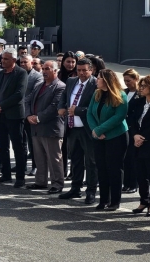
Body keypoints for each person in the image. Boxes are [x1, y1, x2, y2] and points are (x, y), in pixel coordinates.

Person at [57, 58, 99, 204]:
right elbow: (64, 97)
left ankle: (91, 191)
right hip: (72, 128)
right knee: (75, 160)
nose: (81, 73)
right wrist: (61, 107)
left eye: (84, 70)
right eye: (79, 70)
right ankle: (75, 188)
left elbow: (96, 108)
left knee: (91, 162)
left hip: (87, 129)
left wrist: (79, 111)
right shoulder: (71, 81)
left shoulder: (96, 84)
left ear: (91, 70)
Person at [86, 69, 129, 210]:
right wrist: (95, 130)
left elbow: (118, 117)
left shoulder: (120, 95)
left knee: (114, 169)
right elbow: (89, 114)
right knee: (102, 168)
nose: (96, 80)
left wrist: (99, 130)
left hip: (116, 137)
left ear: (106, 80)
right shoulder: (96, 94)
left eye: (98, 77)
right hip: (99, 137)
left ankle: (115, 201)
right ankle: (104, 200)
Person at [24, 60, 66, 193]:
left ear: (55, 71)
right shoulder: (40, 85)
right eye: (43, 68)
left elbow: (54, 107)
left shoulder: (60, 86)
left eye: (47, 69)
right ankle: (40, 181)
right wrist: (29, 115)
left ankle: (57, 184)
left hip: (51, 128)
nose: (44, 71)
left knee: (54, 158)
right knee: (39, 157)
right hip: (36, 127)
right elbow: (28, 100)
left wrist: (38, 117)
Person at [0, 48, 28, 187]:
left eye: (6, 59)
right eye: (2, 59)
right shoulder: (0, 73)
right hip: (0, 115)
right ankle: (6, 174)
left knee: (18, 146)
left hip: (14, 116)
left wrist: (1, 105)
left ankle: (20, 177)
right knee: (3, 146)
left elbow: (19, 94)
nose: (2, 61)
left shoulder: (21, 73)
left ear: (13, 60)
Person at [131, 75, 150, 215]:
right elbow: (133, 120)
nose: (141, 88)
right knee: (140, 174)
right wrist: (135, 135)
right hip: (138, 143)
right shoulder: (140, 102)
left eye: (144, 86)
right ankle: (143, 201)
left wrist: (143, 137)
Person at [21, 54, 44, 176]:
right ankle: (22, 164)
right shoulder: (18, 74)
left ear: (32, 63)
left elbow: (34, 94)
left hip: (29, 113)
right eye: (22, 62)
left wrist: (19, 101)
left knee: (32, 142)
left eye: (26, 62)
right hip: (18, 113)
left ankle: (35, 166)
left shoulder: (37, 76)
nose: (23, 64)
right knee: (21, 141)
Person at [123, 68, 142, 193]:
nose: (126, 83)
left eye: (129, 81)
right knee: (125, 157)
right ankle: (126, 182)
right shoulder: (123, 92)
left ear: (136, 79)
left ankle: (134, 183)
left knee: (133, 157)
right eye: (124, 81)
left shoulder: (141, 94)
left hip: (134, 128)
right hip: (123, 128)